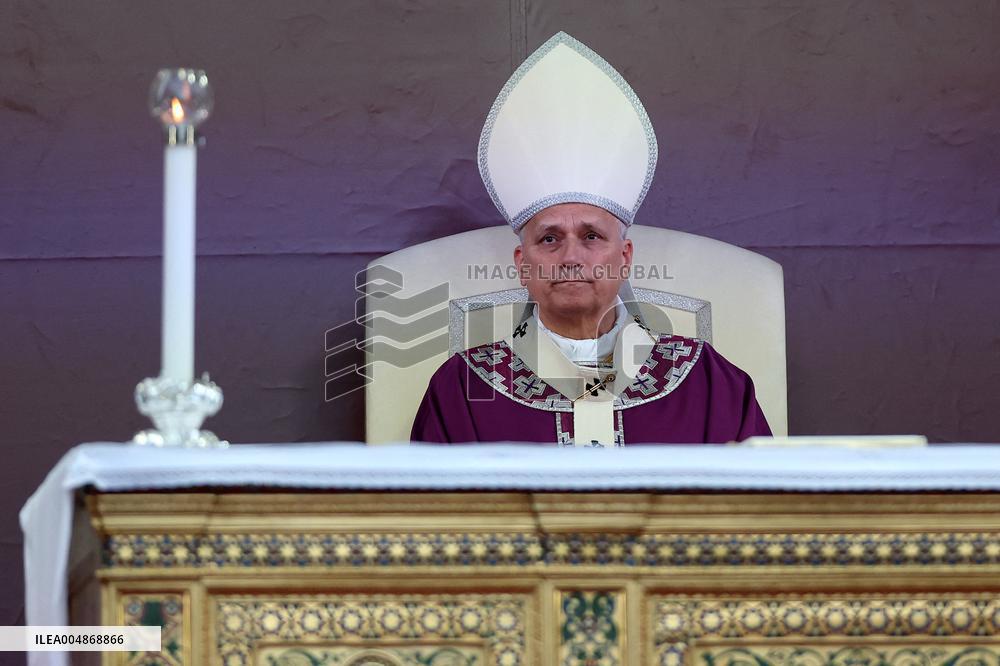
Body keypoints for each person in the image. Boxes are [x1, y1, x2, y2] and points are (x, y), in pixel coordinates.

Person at [410, 32, 770, 445]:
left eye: (592, 236)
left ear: (625, 257)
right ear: (522, 264)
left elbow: (759, 487)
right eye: (549, 239)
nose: (571, 256)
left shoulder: (709, 382)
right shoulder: (462, 389)